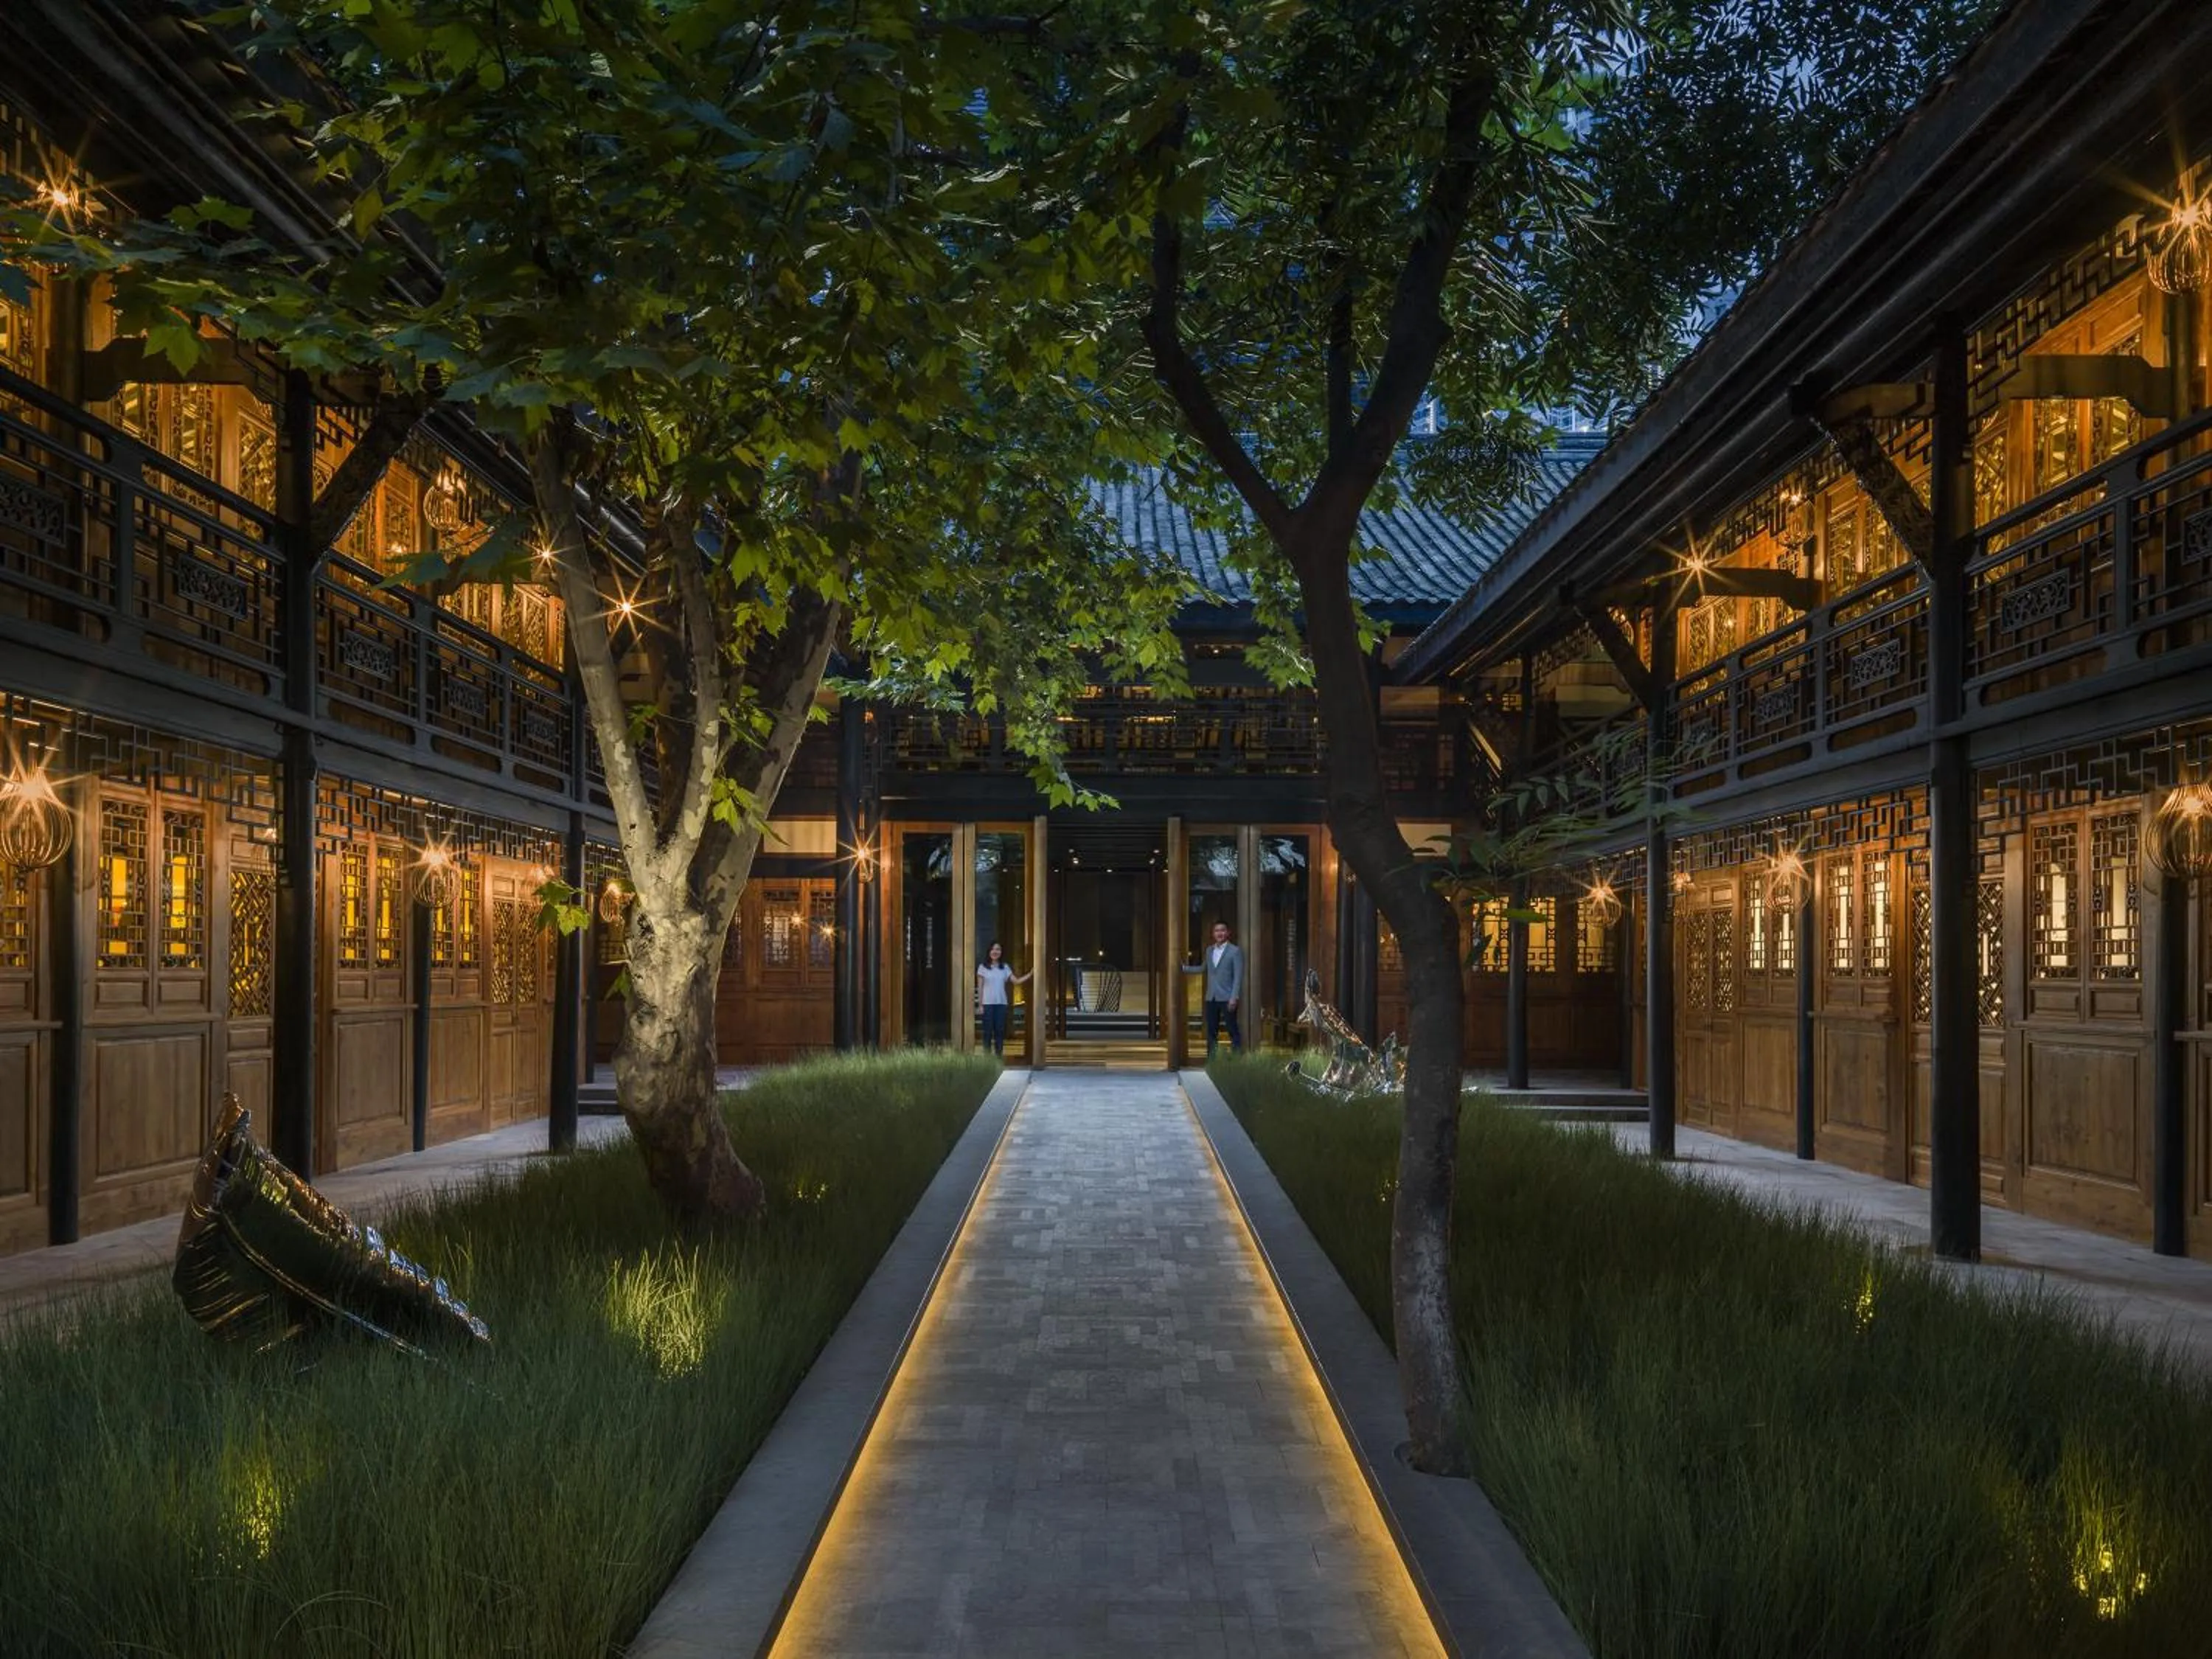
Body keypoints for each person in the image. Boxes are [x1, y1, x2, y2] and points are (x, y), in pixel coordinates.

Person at [974, 942, 1032, 1057]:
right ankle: (987, 1058)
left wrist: (1030, 974)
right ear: (989, 952)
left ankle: (998, 1057)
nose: (995, 952)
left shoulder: (1004, 967)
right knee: (987, 1032)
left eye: (998, 950)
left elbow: (1016, 981)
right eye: (993, 949)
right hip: (988, 1004)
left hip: (1001, 1004)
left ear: (1001, 952)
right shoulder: (983, 967)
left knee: (999, 1032)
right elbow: (980, 987)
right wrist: (980, 1005)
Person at [1197, 919, 1243, 1057]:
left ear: (1228, 933)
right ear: (1213, 933)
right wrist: (1184, 968)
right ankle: (1212, 1060)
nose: (1220, 933)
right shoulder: (1209, 950)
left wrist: (1234, 997)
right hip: (1211, 997)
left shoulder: (1235, 951)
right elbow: (1203, 968)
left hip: (1228, 997)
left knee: (1232, 1029)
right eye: (1217, 931)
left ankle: (1237, 1059)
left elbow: (1238, 976)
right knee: (1211, 1031)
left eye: (1222, 930)